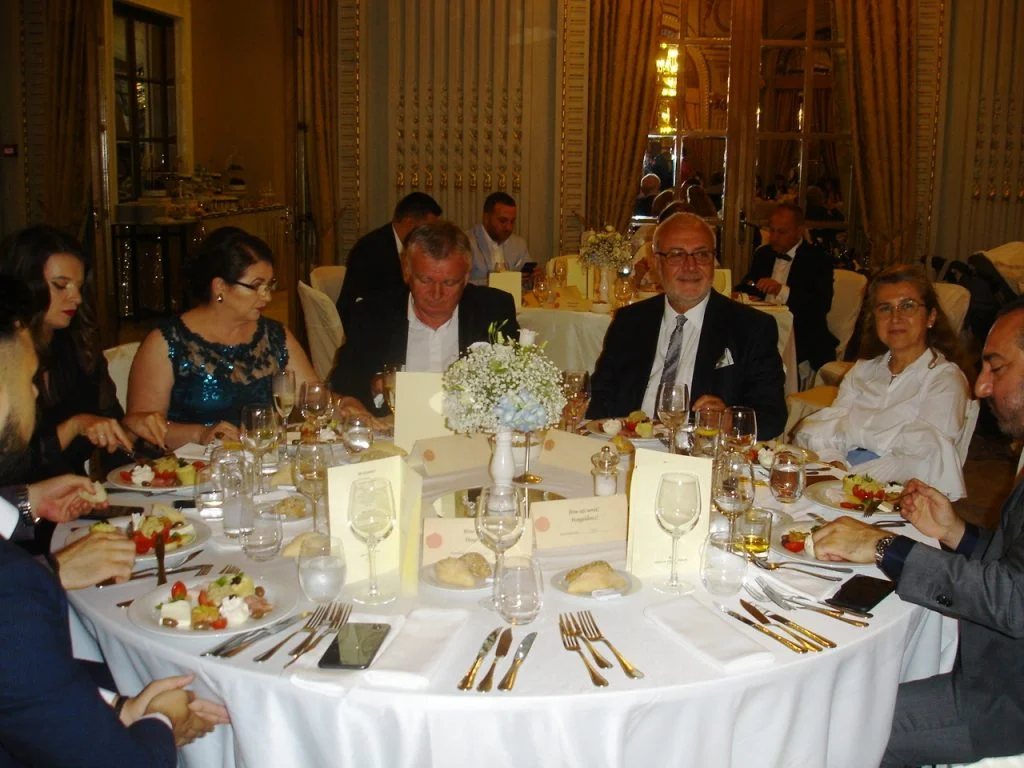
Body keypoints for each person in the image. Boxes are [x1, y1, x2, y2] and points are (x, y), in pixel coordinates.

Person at [0, 275, 229, 765]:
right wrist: (161, 719)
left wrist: (25, 501)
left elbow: (26, 701)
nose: (34, 394)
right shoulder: (14, 594)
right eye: (26, 379)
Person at [812, 299, 1024, 766]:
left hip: (1004, 699)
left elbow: (1014, 601)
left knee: (833, 727)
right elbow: (1016, 568)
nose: (981, 386)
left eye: (997, 368)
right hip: (993, 672)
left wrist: (884, 546)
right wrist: (956, 532)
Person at [127, 228, 349, 450]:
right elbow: (142, 428)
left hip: (260, 460)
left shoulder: (273, 335)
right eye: (256, 286)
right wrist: (200, 433)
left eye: (269, 285)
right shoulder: (167, 341)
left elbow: (312, 397)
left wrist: (343, 404)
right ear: (220, 287)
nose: (267, 297)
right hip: (189, 466)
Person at [588, 212, 787, 439]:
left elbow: (773, 416)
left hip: (702, 452)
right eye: (676, 255)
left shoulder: (751, 327)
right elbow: (600, 396)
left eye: (701, 254)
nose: (690, 266)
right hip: (631, 447)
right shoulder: (630, 321)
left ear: (713, 261)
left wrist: (729, 420)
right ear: (657, 263)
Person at [0, 226, 166, 480]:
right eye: (61, 285)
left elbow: (109, 433)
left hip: (75, 496)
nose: (76, 298)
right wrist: (74, 426)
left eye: (78, 286)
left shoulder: (79, 347)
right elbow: (12, 468)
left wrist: (131, 428)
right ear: (24, 286)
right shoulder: (7, 357)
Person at [794, 265, 970, 498]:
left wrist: (848, 480)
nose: (895, 317)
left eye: (907, 306)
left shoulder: (944, 380)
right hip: (841, 475)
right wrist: (835, 464)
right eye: (885, 308)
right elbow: (829, 430)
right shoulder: (864, 370)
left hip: (894, 495)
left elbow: (922, 461)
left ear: (931, 317)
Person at [331, 220, 519, 414]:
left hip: (470, 430)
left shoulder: (493, 311)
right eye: (426, 280)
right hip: (393, 429)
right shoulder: (373, 314)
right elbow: (343, 385)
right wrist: (376, 385)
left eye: (449, 282)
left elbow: (515, 385)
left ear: (465, 278)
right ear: (407, 272)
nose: (436, 294)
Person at [739, 203, 837, 372]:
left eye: (782, 232)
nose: (774, 237)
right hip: (762, 327)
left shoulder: (817, 259)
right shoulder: (763, 254)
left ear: (799, 231)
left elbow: (820, 305)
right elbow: (748, 284)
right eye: (772, 230)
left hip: (801, 332)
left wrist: (781, 290)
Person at [336, 192, 442, 328]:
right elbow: (367, 300)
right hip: (368, 323)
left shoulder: (413, 248)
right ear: (409, 223)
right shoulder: (371, 249)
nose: (431, 234)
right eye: (428, 229)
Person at [467, 192, 531, 284]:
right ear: (486, 218)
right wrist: (497, 282)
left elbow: (527, 284)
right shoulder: (466, 243)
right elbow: (460, 285)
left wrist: (533, 279)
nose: (509, 228)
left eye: (512, 222)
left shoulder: (519, 244)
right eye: (503, 221)